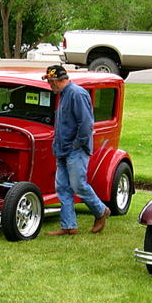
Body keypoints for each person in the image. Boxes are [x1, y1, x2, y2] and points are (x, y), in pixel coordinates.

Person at [42, 65, 110, 235]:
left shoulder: (77, 94)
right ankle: (68, 226)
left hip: (75, 150)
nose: (50, 85)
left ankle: (101, 211)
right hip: (62, 149)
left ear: (57, 80)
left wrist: (77, 144)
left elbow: (86, 124)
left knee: (78, 185)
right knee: (62, 188)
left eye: (50, 81)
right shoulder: (63, 95)